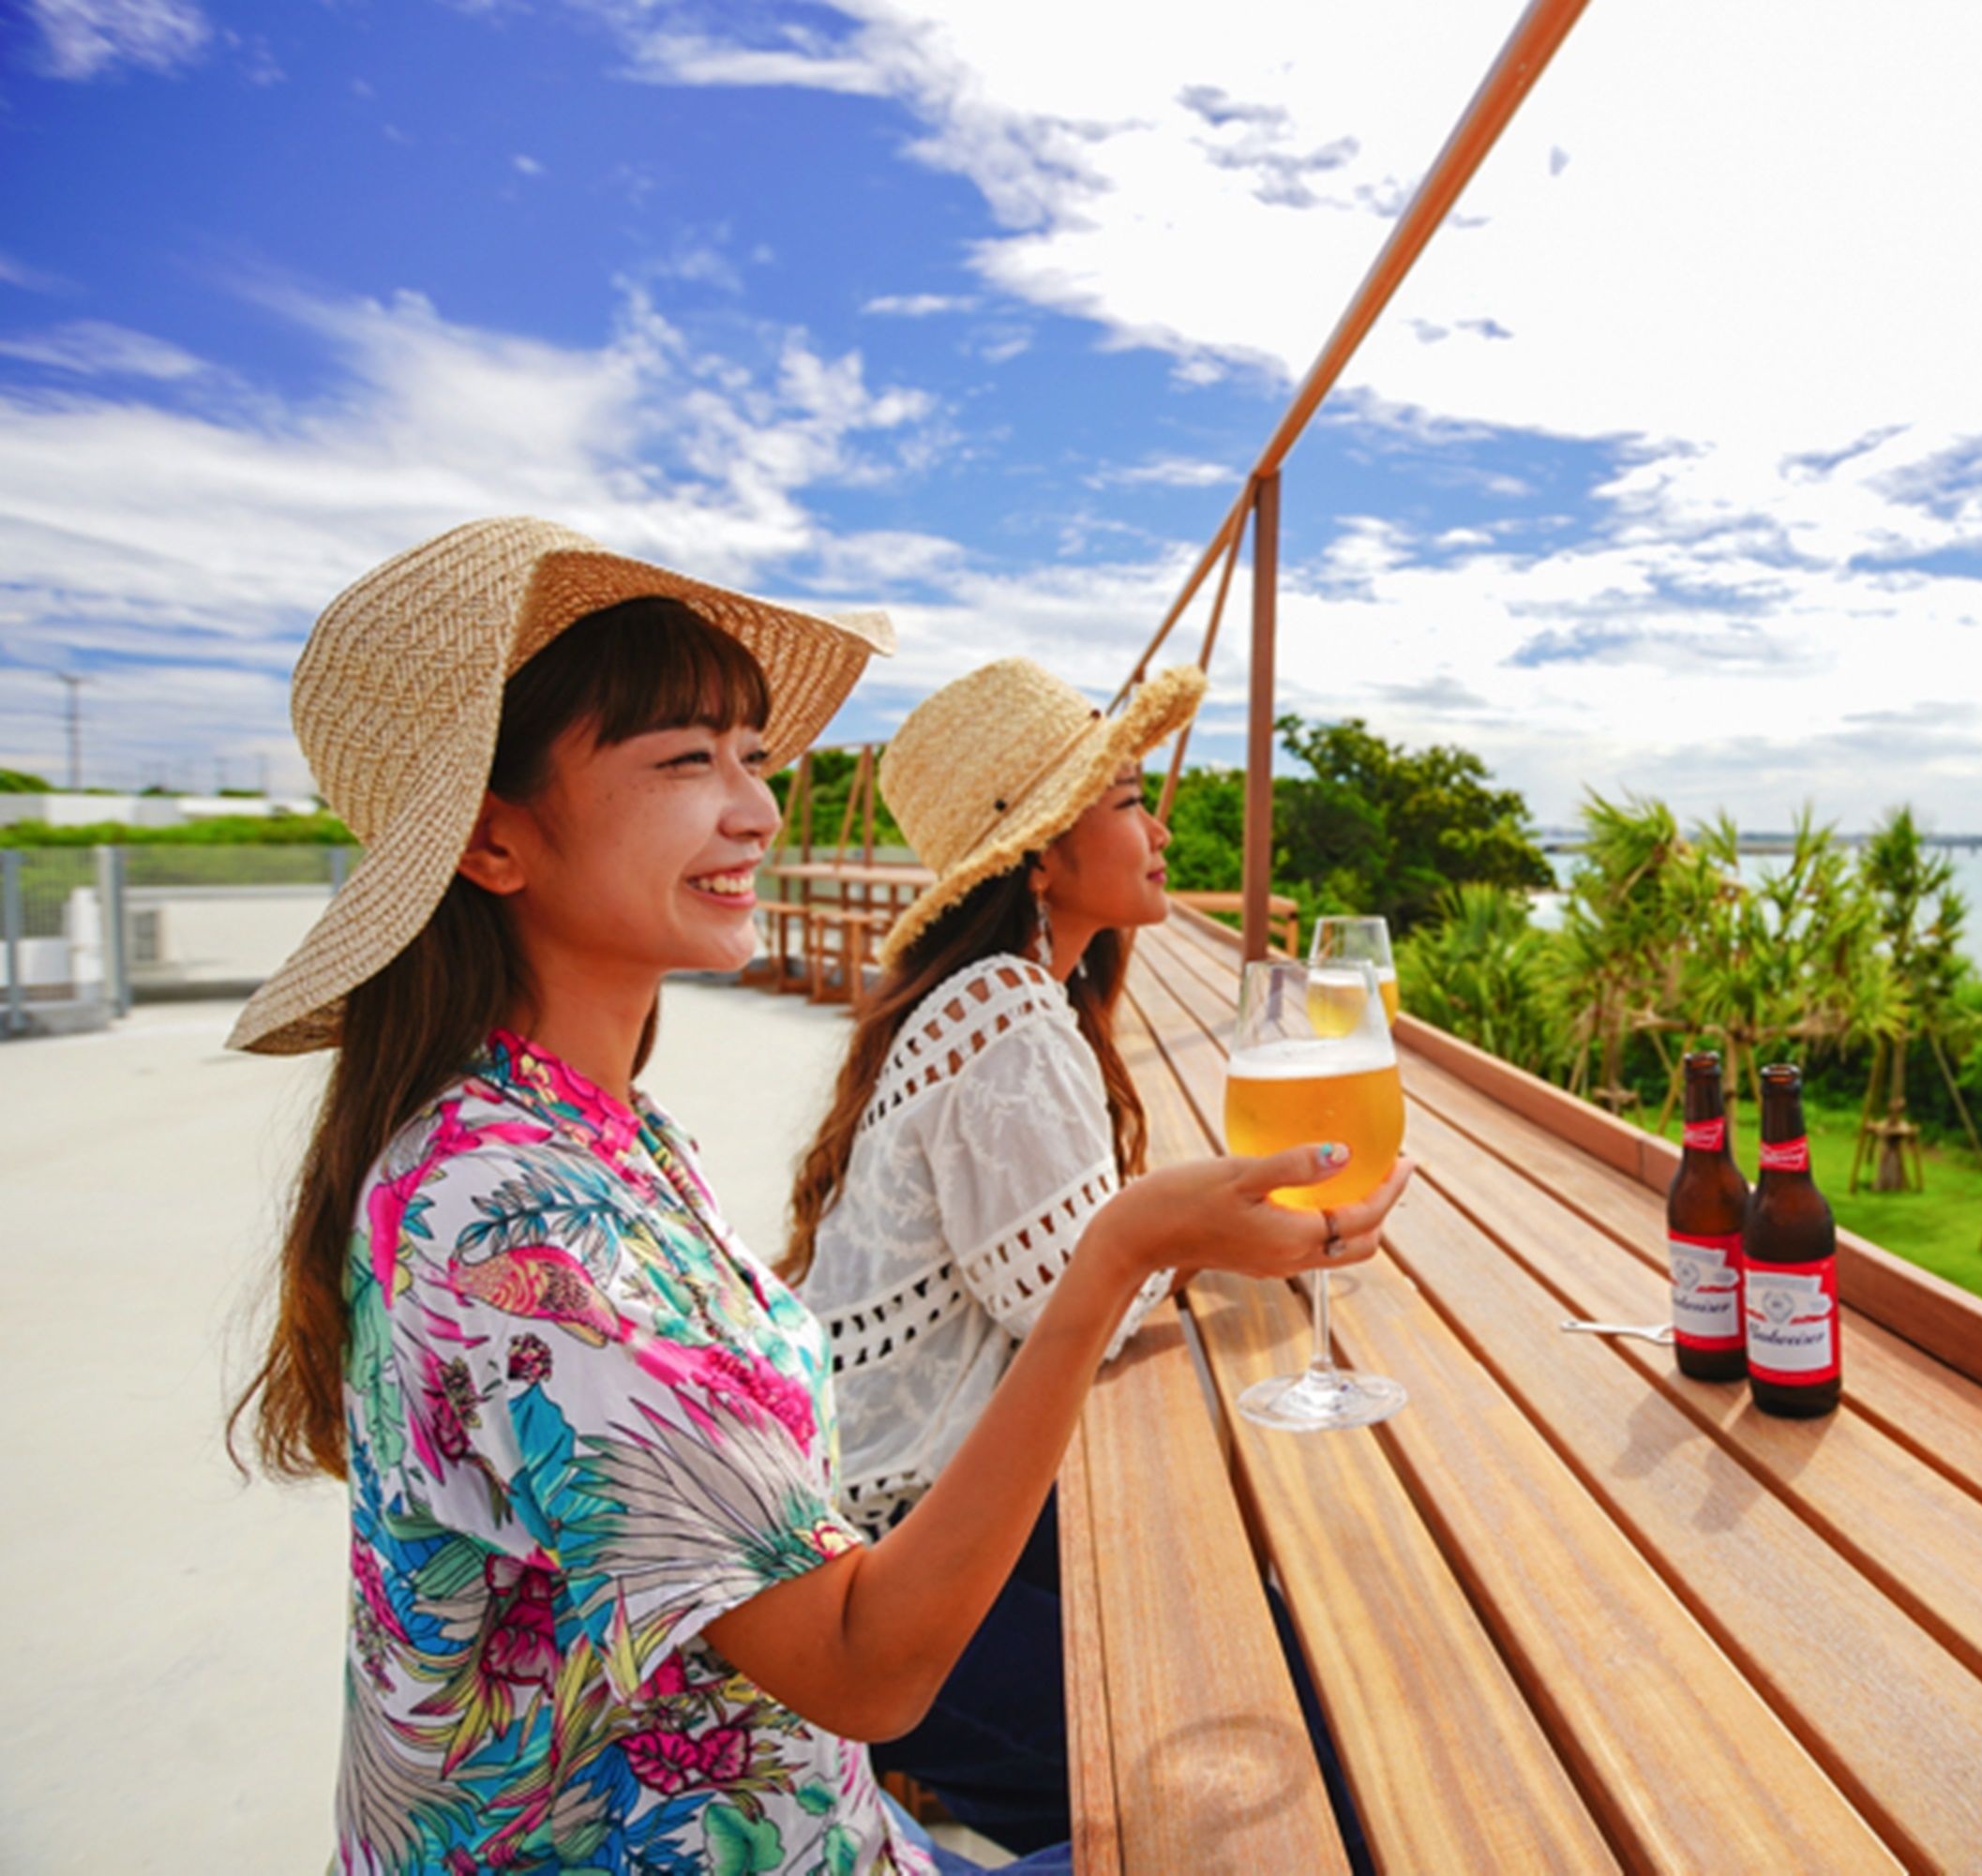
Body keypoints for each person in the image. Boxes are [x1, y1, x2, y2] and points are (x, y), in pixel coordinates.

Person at [225, 520, 1409, 1876]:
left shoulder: (577, 1125)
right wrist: (1123, 1254)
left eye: (752, 756)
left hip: (811, 1814)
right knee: (1352, 1787)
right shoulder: (514, 1224)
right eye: (685, 760)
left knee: (1304, 1707)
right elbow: (864, 1668)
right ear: (493, 843)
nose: (757, 809)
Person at [779, 655, 1205, 1853]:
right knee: (1180, 1788)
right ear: (1041, 854)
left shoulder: (997, 997)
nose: (1161, 825)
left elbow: (1069, 1270)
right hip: (882, 1569)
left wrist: (1183, 1242)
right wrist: (1196, 1241)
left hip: (882, 1526)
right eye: (1127, 800)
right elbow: (1074, 1303)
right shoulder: (1009, 1014)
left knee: (1212, 1637)